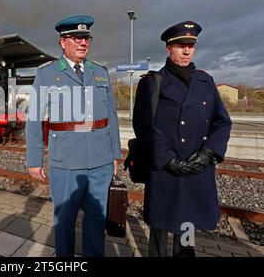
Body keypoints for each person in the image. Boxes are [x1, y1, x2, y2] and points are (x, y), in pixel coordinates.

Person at [133, 21, 232, 257]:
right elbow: (144, 126)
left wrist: (208, 154)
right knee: (160, 227)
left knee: (187, 228)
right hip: (165, 169)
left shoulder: (205, 82)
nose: (187, 51)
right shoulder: (152, 83)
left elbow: (222, 121)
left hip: (198, 167)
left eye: (191, 46)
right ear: (168, 47)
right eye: (180, 45)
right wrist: (168, 160)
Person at [26, 15, 122, 257]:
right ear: (63, 42)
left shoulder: (100, 72)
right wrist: (34, 158)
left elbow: (111, 115)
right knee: (65, 221)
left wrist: (115, 154)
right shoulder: (47, 74)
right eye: (77, 38)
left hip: (100, 160)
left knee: (96, 221)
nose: (83, 42)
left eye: (86, 38)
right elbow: (34, 117)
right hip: (66, 162)